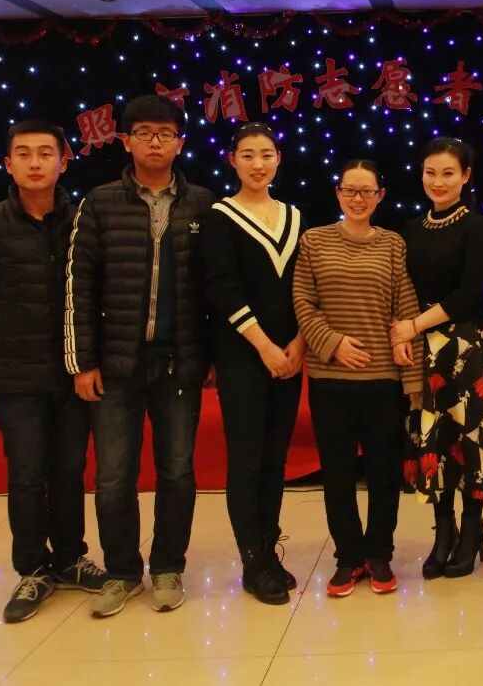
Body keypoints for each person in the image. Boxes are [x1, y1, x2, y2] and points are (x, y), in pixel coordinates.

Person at [0, 120, 105, 623]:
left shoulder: (83, 220)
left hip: (73, 372)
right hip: (16, 378)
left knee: (69, 470)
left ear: (64, 161)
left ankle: (71, 557)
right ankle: (33, 568)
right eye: (24, 153)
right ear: (8, 164)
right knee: (28, 473)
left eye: (45, 153)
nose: (35, 162)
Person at [65, 94, 214, 618]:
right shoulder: (99, 203)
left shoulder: (204, 204)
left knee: (177, 472)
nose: (155, 142)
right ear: (125, 141)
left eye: (165, 133)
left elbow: (215, 289)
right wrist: (82, 361)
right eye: (145, 133)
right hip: (115, 366)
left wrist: (211, 358)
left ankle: (169, 566)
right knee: (113, 476)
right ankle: (123, 572)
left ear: (180, 142)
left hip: (180, 362)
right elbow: (78, 287)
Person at [393, 138, 483, 580]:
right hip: (421, 351)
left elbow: (471, 292)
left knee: (471, 442)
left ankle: (472, 529)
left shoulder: (477, 226)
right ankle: (443, 531)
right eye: (430, 172)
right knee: (435, 443)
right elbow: (401, 288)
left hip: (463, 349)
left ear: (465, 176)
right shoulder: (410, 228)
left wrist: (415, 324)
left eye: (448, 173)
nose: (438, 181)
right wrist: (404, 332)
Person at [293, 159, 423, 598]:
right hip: (330, 378)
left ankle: (379, 554)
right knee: (338, 473)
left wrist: (413, 379)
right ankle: (348, 558)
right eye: (350, 190)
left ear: (380, 196)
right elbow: (303, 302)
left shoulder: (392, 244)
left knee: (385, 473)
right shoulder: (314, 240)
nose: (358, 198)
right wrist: (332, 343)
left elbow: (405, 309)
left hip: (383, 379)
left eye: (367, 191)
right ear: (337, 192)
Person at [201, 123, 305, 605]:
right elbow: (222, 288)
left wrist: (299, 342)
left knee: (275, 458)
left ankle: (269, 548)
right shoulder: (219, 217)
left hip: (290, 355)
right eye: (248, 155)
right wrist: (265, 346)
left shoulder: (295, 216)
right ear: (232, 160)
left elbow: (305, 286)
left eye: (266, 154)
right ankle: (252, 561)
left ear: (278, 158)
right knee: (246, 459)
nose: (258, 164)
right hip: (244, 354)